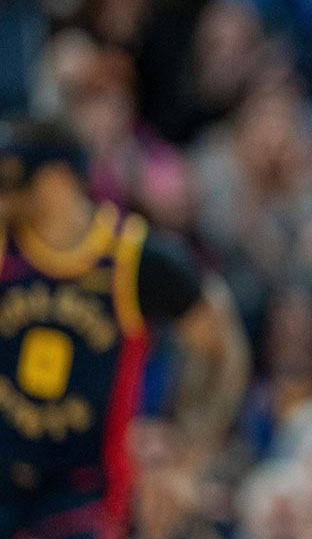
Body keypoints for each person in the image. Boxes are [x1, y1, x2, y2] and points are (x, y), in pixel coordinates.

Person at [0, 120, 249, 539]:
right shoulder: (7, 247)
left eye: (11, 181)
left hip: (85, 497)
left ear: (58, 182)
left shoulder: (132, 258)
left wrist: (187, 447)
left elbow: (223, 348)